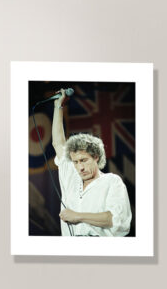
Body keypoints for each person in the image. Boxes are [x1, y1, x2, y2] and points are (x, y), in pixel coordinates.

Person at [48, 92, 131, 238]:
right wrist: (58, 106)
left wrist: (77, 216)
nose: (80, 167)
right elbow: (58, 143)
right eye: (75, 162)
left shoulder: (112, 181)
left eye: (84, 160)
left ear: (96, 157)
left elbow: (113, 219)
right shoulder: (71, 177)